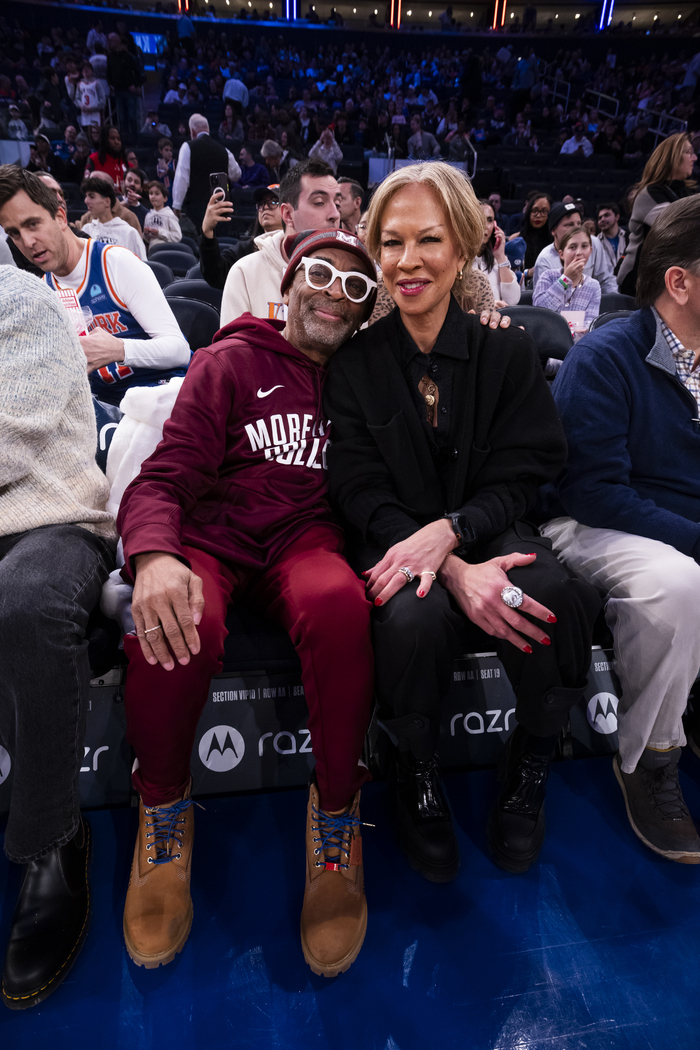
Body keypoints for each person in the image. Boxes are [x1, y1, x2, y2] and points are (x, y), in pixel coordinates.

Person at [323, 162, 600, 882]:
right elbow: (356, 487)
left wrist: (457, 533)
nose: (407, 261)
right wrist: (446, 564)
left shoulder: (506, 347)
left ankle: (533, 754)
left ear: (466, 245)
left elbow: (527, 471)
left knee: (554, 598)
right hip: (396, 538)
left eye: (428, 240)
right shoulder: (351, 365)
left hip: (493, 529)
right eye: (390, 242)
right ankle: (413, 766)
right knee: (410, 621)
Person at [116, 228, 378, 977]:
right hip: (217, 534)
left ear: (364, 315)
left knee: (338, 605)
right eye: (321, 275)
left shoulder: (362, 380)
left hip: (305, 540)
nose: (335, 292)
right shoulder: (228, 360)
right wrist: (156, 554)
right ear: (287, 287)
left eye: (356, 288)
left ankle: (335, 817)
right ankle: (162, 809)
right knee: (179, 619)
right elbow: (164, 476)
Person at [541, 195, 700, 864]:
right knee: (674, 585)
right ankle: (649, 758)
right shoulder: (607, 356)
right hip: (589, 519)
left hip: (675, 519)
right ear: (680, 281)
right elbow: (594, 490)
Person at [0, 266, 115, 1010]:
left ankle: (51, 838)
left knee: (27, 602)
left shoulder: (20, 297)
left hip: (52, 518)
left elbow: (19, 430)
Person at [0, 167, 190, 407]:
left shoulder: (116, 263)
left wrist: (120, 349)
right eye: (15, 233)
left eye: (33, 224)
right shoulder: (43, 292)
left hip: (161, 399)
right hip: (102, 410)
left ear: (60, 217)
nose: (27, 242)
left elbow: (179, 350)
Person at [221, 159, 340, 325]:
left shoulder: (350, 277)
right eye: (320, 202)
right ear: (288, 215)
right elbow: (233, 350)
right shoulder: (245, 273)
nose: (334, 214)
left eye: (338, 204)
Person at [617, 133, 698, 297]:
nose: (695, 157)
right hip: (640, 281)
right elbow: (680, 230)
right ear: (672, 157)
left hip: (673, 277)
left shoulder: (689, 192)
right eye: (688, 152)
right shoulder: (650, 194)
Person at [199, 183, 282, 290]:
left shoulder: (299, 247)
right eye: (261, 203)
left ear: (288, 210)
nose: (265, 207)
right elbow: (215, 275)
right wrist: (207, 231)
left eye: (274, 202)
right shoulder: (247, 249)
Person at [172, 114, 241, 233]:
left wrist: (177, 204)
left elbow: (182, 178)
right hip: (220, 207)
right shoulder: (224, 150)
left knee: (202, 243)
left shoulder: (188, 147)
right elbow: (236, 174)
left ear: (192, 131)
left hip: (197, 209)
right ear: (208, 130)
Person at [533, 201, 617, 294]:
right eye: (569, 225)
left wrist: (614, 303)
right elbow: (543, 303)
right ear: (553, 230)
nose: (577, 229)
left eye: (579, 224)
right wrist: (566, 279)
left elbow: (606, 280)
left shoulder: (593, 243)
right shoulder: (544, 260)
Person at [533, 227, 601, 334]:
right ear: (561, 254)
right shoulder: (548, 276)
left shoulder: (594, 286)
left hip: (578, 344)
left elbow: (589, 326)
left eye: (584, 246)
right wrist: (565, 279)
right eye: (572, 247)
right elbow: (540, 311)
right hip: (548, 342)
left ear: (590, 250)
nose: (579, 252)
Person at [80, 177, 147, 262]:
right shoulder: (86, 230)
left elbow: (142, 266)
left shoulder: (129, 233)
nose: (86, 201)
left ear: (107, 202)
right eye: (86, 196)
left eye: (92, 196)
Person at [475, 199, 520, 306]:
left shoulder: (497, 260)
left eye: (489, 220)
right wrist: (488, 305)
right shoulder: (457, 260)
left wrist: (500, 257)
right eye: (479, 218)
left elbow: (512, 301)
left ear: (495, 226)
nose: (485, 225)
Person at [506, 192, 552, 281]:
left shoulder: (556, 241)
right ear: (528, 212)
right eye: (534, 210)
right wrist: (527, 273)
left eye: (544, 211)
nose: (538, 215)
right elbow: (507, 274)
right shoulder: (515, 239)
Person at [107, 31, 143, 142]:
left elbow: (138, 72)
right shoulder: (110, 57)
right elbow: (109, 72)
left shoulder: (128, 57)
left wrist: (135, 85)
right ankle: (125, 140)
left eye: (111, 41)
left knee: (132, 116)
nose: (109, 43)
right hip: (118, 91)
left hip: (129, 91)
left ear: (117, 42)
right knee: (122, 117)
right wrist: (110, 84)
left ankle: (136, 139)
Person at [85, 124, 128, 195]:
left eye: (119, 139)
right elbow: (86, 185)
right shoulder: (94, 159)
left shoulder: (128, 164)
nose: (117, 142)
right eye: (112, 138)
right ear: (105, 140)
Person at [143, 181, 182, 245]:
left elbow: (177, 236)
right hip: (152, 251)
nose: (153, 196)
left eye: (157, 194)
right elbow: (147, 240)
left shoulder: (169, 215)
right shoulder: (148, 215)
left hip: (166, 250)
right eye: (151, 193)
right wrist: (146, 234)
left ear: (165, 198)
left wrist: (159, 233)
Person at [596, 201, 627, 269]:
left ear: (617, 217)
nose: (602, 219)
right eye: (600, 218)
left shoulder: (629, 237)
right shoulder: (595, 242)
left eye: (606, 215)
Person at [74, 62, 105, 129]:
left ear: (92, 71)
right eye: (84, 69)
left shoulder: (97, 83)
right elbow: (76, 99)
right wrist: (81, 105)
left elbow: (103, 100)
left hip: (95, 114)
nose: (85, 70)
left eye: (87, 68)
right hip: (84, 115)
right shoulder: (79, 84)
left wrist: (92, 108)